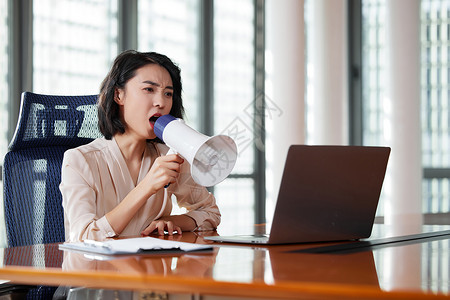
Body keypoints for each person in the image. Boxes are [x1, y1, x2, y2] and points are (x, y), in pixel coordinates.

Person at [59, 50, 221, 242]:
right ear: (119, 95)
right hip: (99, 270)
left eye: (168, 93)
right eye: (149, 90)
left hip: (150, 268)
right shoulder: (80, 160)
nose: (161, 102)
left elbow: (210, 212)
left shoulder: (169, 157)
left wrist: (172, 220)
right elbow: (83, 237)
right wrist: (146, 187)